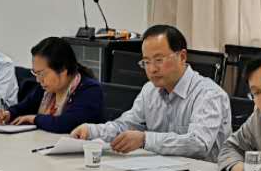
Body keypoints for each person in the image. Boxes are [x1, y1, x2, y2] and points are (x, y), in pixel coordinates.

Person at [71, 25, 231, 159]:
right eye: (146, 62)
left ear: (182, 57)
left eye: (159, 60)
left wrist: (145, 139)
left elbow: (199, 144)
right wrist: (91, 131)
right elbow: (126, 126)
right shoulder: (150, 90)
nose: (152, 69)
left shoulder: (208, 94)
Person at [0, 36, 104, 133]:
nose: (38, 80)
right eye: (35, 73)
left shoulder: (90, 90)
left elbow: (66, 123)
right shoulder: (45, 88)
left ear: (63, 70)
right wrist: (8, 114)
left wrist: (34, 119)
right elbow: (24, 107)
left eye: (41, 74)